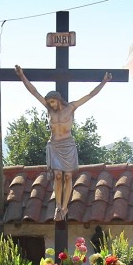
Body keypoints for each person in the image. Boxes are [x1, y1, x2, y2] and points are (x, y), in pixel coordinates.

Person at [14, 64, 112, 221]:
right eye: (49, 103)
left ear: (58, 100)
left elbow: (90, 95)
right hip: (55, 145)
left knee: (67, 177)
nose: (51, 105)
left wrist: (104, 81)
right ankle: (58, 206)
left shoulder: (71, 108)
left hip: (68, 145)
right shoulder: (49, 109)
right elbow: (34, 92)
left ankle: (65, 208)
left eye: (53, 102)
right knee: (58, 176)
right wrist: (21, 76)